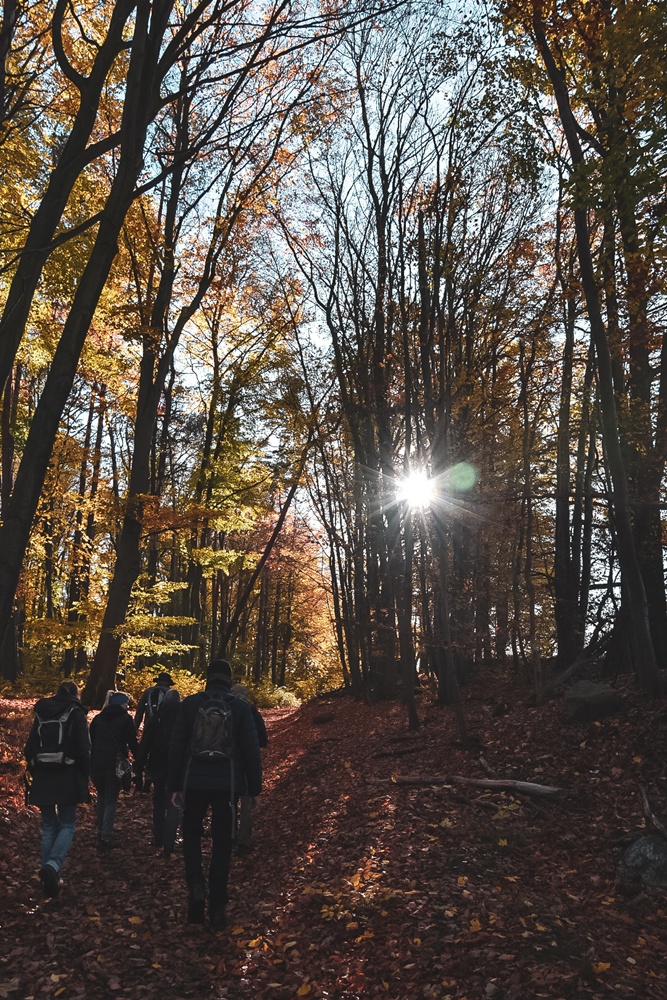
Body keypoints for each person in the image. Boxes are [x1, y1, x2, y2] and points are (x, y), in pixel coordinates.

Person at [168, 659, 262, 930]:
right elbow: (251, 751)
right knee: (223, 843)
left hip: (194, 782)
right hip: (227, 786)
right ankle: (218, 906)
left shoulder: (190, 704)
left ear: (207, 678)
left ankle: (196, 887)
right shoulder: (240, 708)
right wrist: (253, 789)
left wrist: (174, 786)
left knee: (191, 837)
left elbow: (177, 747)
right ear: (229, 680)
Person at [23, 681, 91, 898]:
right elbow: (84, 747)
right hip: (67, 775)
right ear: (76, 694)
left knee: (49, 825)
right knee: (68, 824)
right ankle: (52, 866)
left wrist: (35, 768)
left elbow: (29, 747)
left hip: (43, 775)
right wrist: (86, 774)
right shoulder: (76, 712)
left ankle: (48, 876)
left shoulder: (42, 712)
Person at [90, 690, 139, 853]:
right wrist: (140, 762)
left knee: (102, 797)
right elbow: (132, 743)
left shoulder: (97, 719)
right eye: (126, 703)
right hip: (113, 765)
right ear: (121, 704)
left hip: (96, 764)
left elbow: (92, 741)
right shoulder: (125, 720)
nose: (127, 706)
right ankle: (106, 835)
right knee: (111, 800)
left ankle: (100, 831)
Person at [136, 687, 182, 853]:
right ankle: (170, 841)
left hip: (157, 764)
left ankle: (158, 837)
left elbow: (145, 745)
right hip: (177, 765)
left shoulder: (156, 719)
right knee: (174, 801)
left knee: (158, 800)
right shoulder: (184, 719)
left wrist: (139, 767)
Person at [230, 683, 268, 854]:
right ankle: (244, 840)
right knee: (246, 804)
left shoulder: (226, 708)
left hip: (229, 764)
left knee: (229, 801)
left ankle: (228, 836)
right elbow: (262, 740)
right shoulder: (251, 711)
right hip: (247, 765)